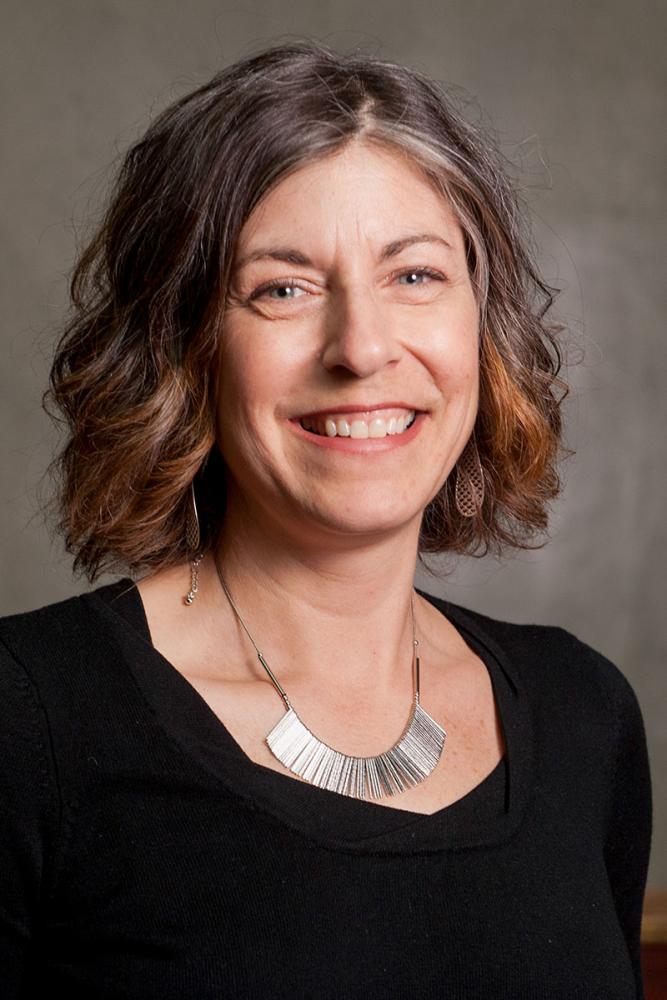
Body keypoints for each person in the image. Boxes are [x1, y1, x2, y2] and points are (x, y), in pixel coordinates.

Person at [0, 38, 652, 1000]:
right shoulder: (28, 720)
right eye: (283, 288)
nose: (360, 346)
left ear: (484, 321)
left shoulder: (584, 717)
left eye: (416, 275)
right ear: (184, 346)